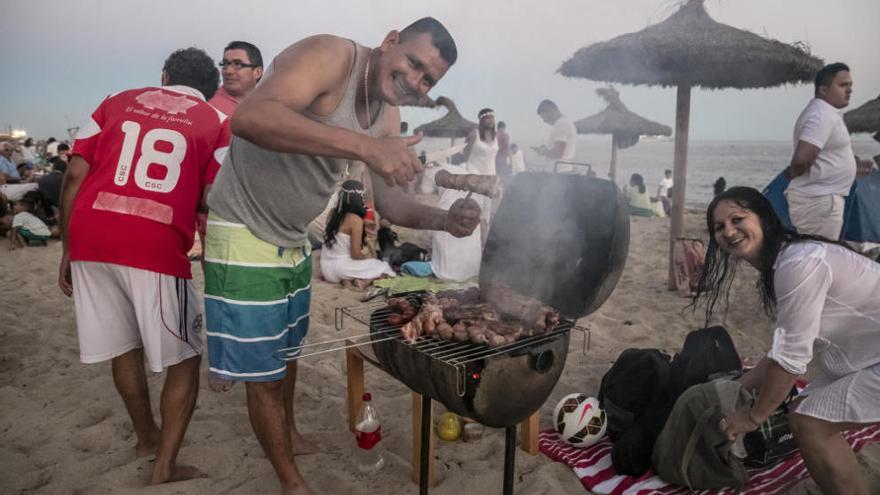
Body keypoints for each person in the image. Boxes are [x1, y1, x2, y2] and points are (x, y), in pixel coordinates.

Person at [203, 17, 478, 495]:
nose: (415, 82)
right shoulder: (332, 56)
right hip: (244, 226)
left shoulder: (387, 113)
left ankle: (288, 435)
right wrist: (366, 147)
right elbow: (249, 119)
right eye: (414, 63)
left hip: (293, 237)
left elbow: (389, 203)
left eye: (428, 80)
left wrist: (444, 222)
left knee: (288, 355)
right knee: (265, 374)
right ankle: (291, 482)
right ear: (391, 41)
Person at [58, 47, 229, 485]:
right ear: (210, 90)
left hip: (92, 235)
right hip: (154, 243)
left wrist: (67, 247)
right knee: (186, 357)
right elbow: (214, 198)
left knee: (122, 345)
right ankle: (165, 467)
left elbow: (76, 173)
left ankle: (145, 436)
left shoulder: (115, 99)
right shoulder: (216, 122)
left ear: (165, 75)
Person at [693, 186, 880, 495]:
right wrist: (740, 387)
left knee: (810, 423)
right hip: (868, 357)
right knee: (804, 411)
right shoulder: (787, 260)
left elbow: (791, 359)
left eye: (738, 219)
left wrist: (752, 418)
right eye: (719, 227)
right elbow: (783, 347)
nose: (728, 231)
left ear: (764, 218)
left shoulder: (798, 265)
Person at [785, 63, 858, 240]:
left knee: (819, 255)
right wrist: (795, 174)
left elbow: (819, 157)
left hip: (820, 199)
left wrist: (855, 166)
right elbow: (801, 160)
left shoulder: (824, 113)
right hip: (819, 201)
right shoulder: (821, 115)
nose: (849, 91)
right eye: (842, 85)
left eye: (850, 86)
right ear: (824, 89)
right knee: (819, 257)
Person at [319, 180, 395, 288]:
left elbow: (342, 230)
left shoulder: (332, 213)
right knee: (385, 268)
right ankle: (363, 282)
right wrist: (369, 258)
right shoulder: (355, 219)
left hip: (326, 269)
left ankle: (347, 280)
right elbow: (355, 254)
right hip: (342, 267)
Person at [462, 108, 498, 238]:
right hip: (475, 176)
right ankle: (470, 238)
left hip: (490, 178)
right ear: (481, 120)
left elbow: (494, 158)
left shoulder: (496, 136)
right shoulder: (474, 134)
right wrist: (471, 171)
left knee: (486, 214)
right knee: (474, 210)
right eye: (487, 118)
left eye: (492, 117)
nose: (491, 120)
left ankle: (482, 242)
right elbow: (465, 153)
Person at [209, 40, 263, 117]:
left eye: (237, 64)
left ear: (257, 72)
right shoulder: (208, 104)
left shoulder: (268, 108)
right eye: (225, 64)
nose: (228, 71)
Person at [533, 99, 577, 172]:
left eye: (544, 117)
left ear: (550, 111)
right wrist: (546, 150)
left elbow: (558, 152)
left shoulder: (561, 124)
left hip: (559, 171)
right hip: (564, 169)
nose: (544, 121)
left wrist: (543, 152)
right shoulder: (566, 122)